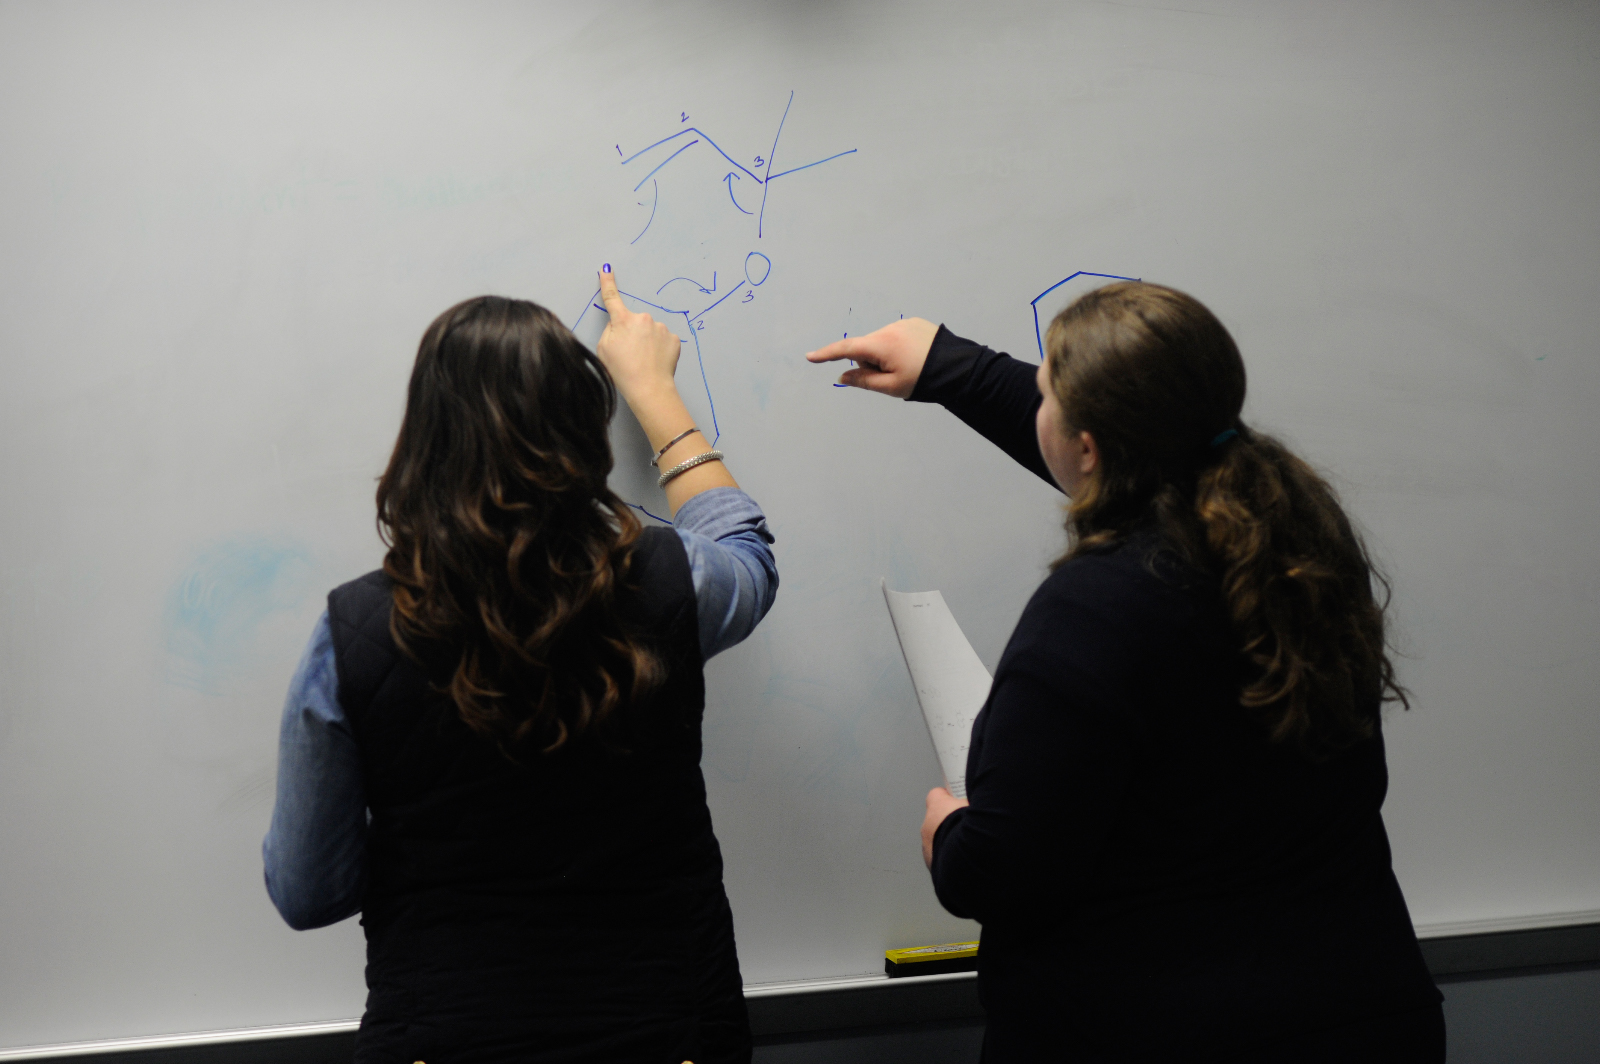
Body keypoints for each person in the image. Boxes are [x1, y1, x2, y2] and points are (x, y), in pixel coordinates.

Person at [808, 283, 1444, 1062]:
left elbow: (999, 875)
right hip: (1359, 1012)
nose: (1035, 398)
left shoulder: (1091, 610)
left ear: (1089, 447)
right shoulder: (1293, 535)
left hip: (1160, 1029)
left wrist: (952, 833)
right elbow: (1149, 459)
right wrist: (952, 366)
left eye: (1046, 391)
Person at [262, 268, 776, 1064]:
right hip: (670, 1029)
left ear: (425, 440)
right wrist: (656, 397)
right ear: (581, 431)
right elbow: (750, 559)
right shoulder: (672, 584)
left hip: (442, 1037)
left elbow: (308, 892)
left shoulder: (351, 637)